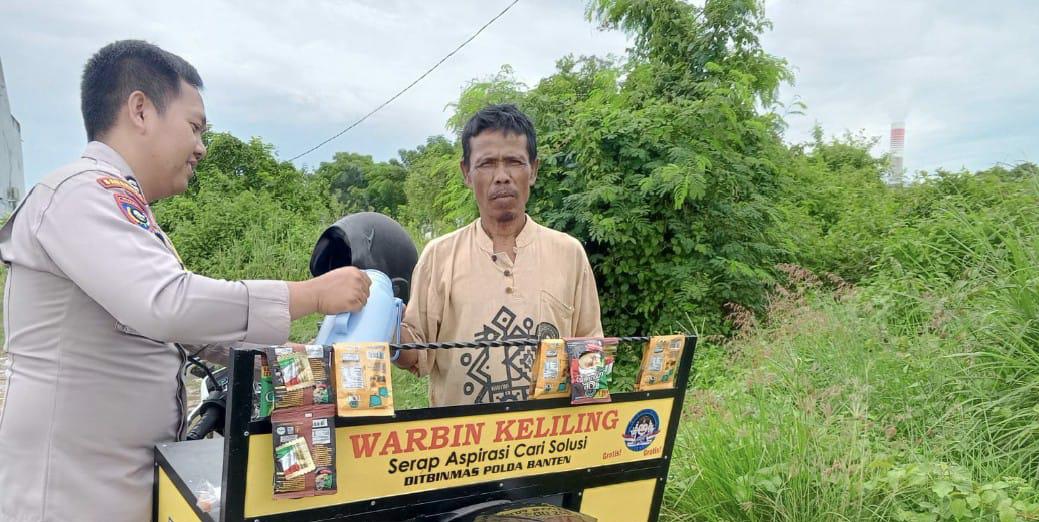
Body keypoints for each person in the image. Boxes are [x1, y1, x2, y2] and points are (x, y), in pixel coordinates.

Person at [0, 40, 371, 522]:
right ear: (140, 110)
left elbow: (184, 332)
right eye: (194, 127)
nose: (201, 147)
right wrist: (310, 295)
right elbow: (168, 304)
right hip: (71, 495)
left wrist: (299, 361)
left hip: (112, 483)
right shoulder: (80, 191)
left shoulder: (120, 209)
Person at [394, 104, 603, 406]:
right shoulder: (439, 257)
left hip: (550, 435)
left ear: (534, 170)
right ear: (467, 173)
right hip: (463, 435)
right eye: (487, 164)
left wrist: (593, 416)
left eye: (515, 162)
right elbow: (415, 352)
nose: (502, 176)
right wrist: (383, 322)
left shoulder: (569, 253)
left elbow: (590, 350)